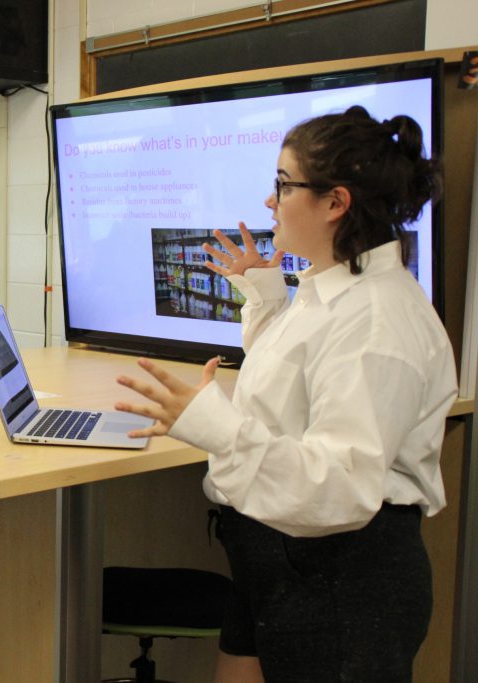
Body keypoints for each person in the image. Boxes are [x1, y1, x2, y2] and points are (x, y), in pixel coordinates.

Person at [115, 106, 456, 683]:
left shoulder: (377, 324)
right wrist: (265, 294)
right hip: (279, 554)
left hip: (339, 580)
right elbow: (299, 375)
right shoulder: (333, 287)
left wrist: (213, 425)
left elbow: (340, 486)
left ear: (334, 203)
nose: (270, 201)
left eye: (283, 184)